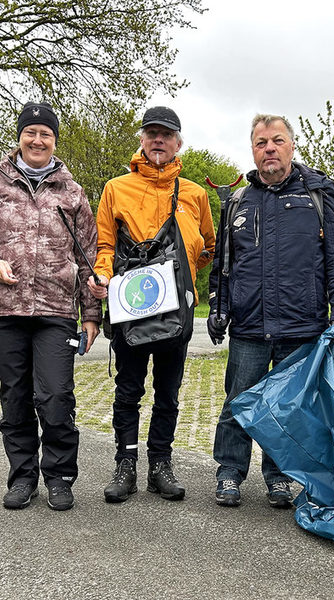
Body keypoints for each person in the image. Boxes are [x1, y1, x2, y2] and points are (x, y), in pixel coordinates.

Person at [207, 114, 334, 508]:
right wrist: (217, 307)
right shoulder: (239, 201)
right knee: (238, 400)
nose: (269, 148)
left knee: (289, 408)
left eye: (276, 141)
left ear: (291, 145)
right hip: (250, 325)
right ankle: (229, 471)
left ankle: (280, 478)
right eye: (260, 143)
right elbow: (224, 262)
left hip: (300, 324)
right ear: (253, 150)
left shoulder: (318, 194)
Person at [87, 106, 215, 503]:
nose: (158, 140)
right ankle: (125, 464)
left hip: (177, 307)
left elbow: (209, 247)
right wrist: (102, 276)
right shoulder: (115, 188)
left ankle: (161, 464)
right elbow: (104, 245)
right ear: (141, 140)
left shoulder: (195, 194)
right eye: (151, 133)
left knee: (168, 391)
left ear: (179, 143)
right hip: (130, 305)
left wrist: (183, 272)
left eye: (166, 134)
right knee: (128, 390)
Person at [0, 102, 101, 511]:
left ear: (54, 142)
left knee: (56, 397)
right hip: (6, 311)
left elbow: (89, 257)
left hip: (56, 312)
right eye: (31, 132)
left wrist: (91, 316)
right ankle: (23, 478)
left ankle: (59, 476)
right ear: (19, 136)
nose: (38, 140)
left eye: (46, 134)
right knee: (15, 399)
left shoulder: (72, 192)